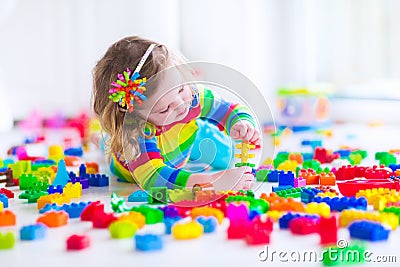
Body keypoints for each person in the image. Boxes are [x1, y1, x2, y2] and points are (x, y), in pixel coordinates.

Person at [92, 36, 260, 192]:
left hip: (186, 141)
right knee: (110, 145)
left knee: (225, 155)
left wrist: (241, 123)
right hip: (132, 168)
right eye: (164, 109)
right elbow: (153, 177)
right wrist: (209, 182)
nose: (181, 105)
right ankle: (102, 141)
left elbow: (228, 109)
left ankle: (198, 131)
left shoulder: (192, 97)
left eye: (180, 89)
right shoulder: (135, 133)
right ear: (133, 113)